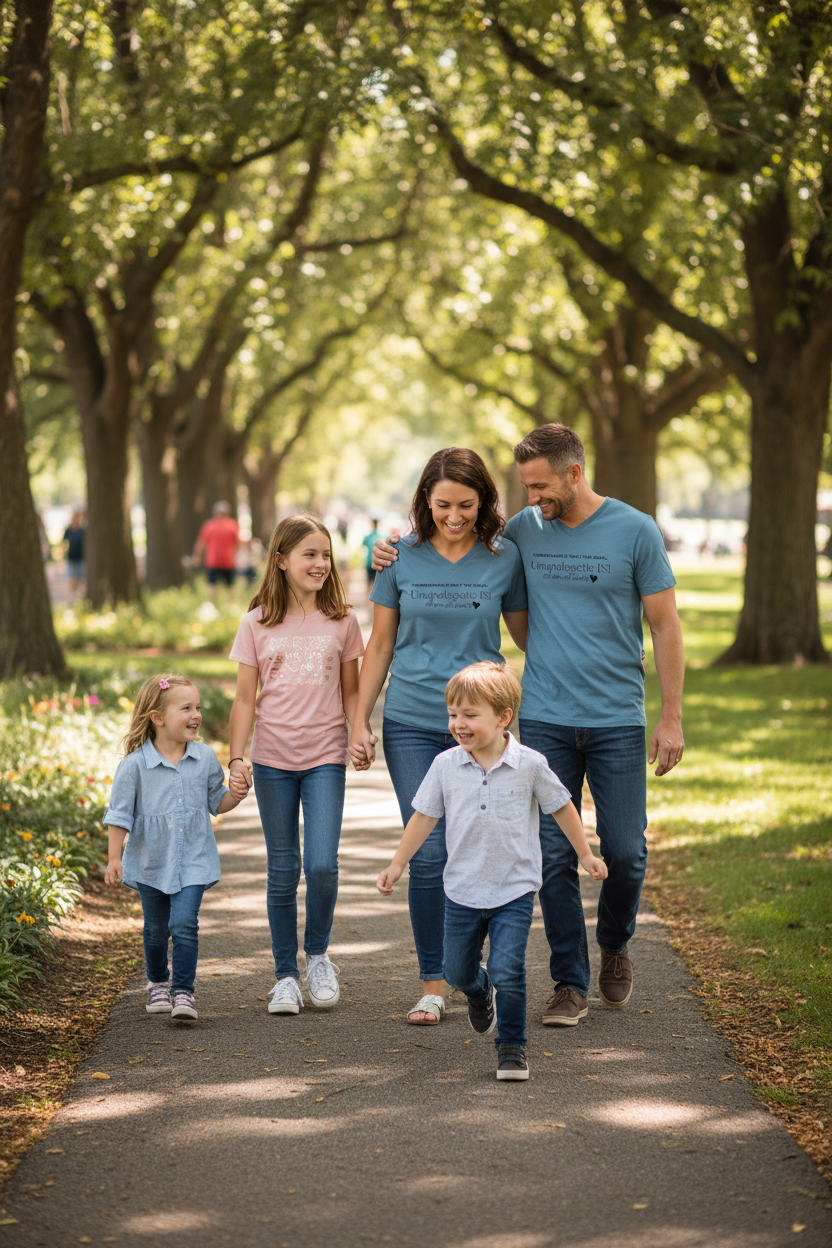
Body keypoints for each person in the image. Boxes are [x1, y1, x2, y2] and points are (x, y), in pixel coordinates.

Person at [372, 423, 685, 1026]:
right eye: (524, 487)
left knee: (626, 851)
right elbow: (449, 535)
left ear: (574, 473)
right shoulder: (521, 532)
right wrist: (392, 547)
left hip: (618, 714)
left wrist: (669, 717)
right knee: (551, 855)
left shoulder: (635, 530)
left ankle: (615, 943)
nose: (531, 497)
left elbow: (666, 626)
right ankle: (570, 982)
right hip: (543, 711)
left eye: (540, 486)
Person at [349, 448, 528, 1027]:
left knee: (481, 844)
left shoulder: (505, 559)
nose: (455, 516)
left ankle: (473, 967)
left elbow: (528, 639)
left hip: (484, 729)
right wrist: (360, 721)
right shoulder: (398, 557)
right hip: (412, 722)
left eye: (467, 506)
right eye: (444, 504)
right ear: (426, 500)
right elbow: (379, 646)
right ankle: (436, 982)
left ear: (485, 503)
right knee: (427, 852)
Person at [377, 662, 607, 1080]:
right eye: (453, 714)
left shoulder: (530, 764)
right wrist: (397, 864)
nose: (457, 724)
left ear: (503, 718)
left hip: (513, 888)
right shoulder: (446, 765)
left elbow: (561, 806)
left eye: (469, 715)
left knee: (509, 970)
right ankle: (479, 993)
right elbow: (424, 817)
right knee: (457, 971)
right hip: (462, 888)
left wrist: (586, 855)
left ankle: (512, 1048)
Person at [227, 514, 365, 1016]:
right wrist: (237, 756)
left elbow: (353, 693)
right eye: (309, 554)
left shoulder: (344, 621)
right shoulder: (257, 621)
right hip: (271, 761)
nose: (320, 564)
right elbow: (245, 700)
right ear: (281, 560)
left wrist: (360, 732)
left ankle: (318, 956)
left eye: (325, 555)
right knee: (283, 869)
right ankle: (285, 975)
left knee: (322, 864)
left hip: (326, 755)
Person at [104, 674, 249, 1020]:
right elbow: (119, 815)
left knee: (184, 923)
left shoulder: (205, 758)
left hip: (194, 858)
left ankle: (184, 992)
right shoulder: (135, 765)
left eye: (197, 707)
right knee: (156, 930)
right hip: (150, 860)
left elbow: (218, 801)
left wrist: (237, 795)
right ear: (157, 717)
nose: (196, 714)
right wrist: (113, 858)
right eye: (186, 708)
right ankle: (157, 982)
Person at [193, 502, 239, 596]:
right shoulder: (232, 525)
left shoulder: (209, 525)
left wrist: (196, 556)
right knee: (229, 586)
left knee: (212, 585)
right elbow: (238, 543)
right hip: (228, 560)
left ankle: (212, 607)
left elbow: (201, 543)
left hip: (214, 561)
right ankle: (230, 607)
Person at [63, 510, 86, 596]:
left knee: (81, 580)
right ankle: (72, 597)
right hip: (71, 557)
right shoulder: (68, 530)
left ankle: (79, 597)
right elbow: (64, 542)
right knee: (72, 579)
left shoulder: (82, 530)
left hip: (81, 558)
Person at [361, 516, 382, 591]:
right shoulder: (382, 536)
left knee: (369, 584)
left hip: (369, 562)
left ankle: (368, 600)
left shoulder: (367, 537)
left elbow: (363, 546)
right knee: (376, 584)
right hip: (378, 563)